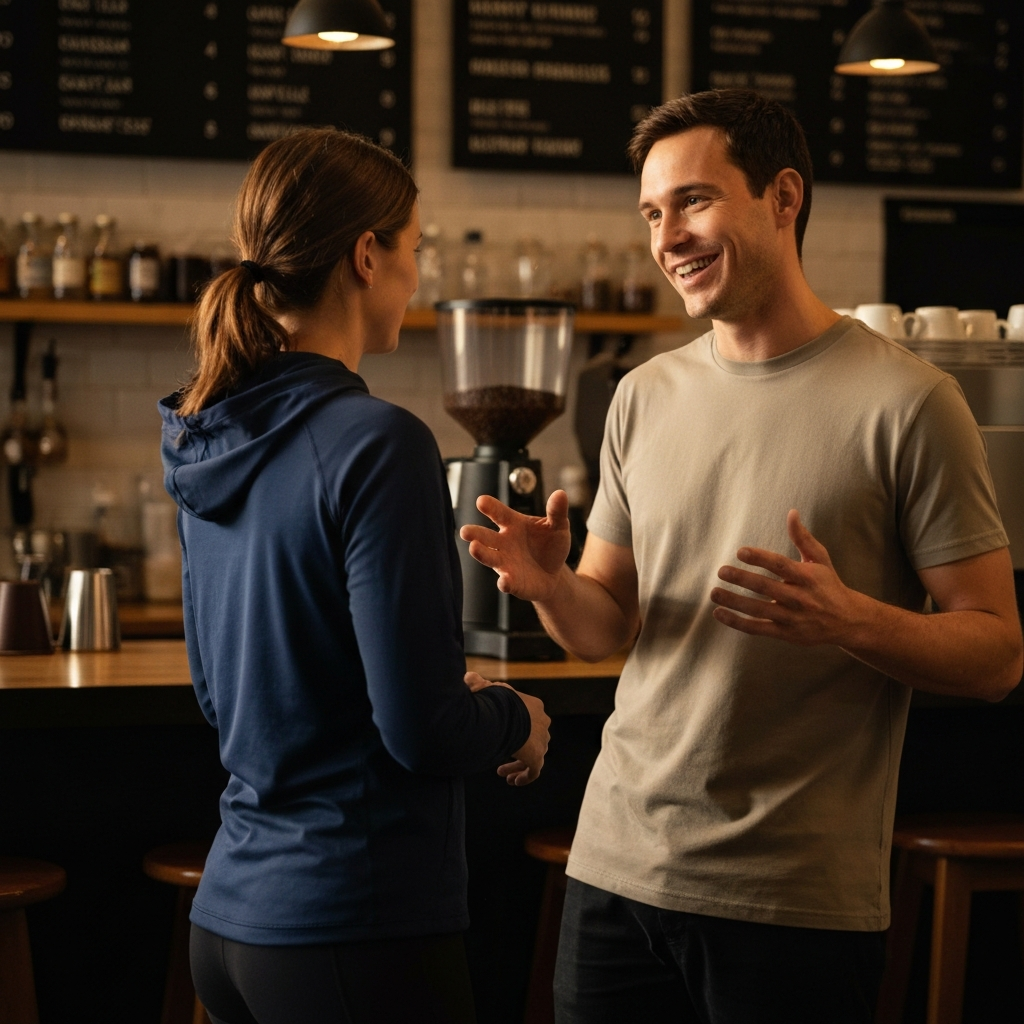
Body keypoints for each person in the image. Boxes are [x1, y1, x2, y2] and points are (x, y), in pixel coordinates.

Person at [459, 89, 1023, 1023]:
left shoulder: (911, 403)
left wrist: (853, 620)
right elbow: (607, 625)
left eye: (695, 201)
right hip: (616, 865)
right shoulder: (640, 396)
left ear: (784, 198)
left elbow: (999, 653)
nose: (668, 235)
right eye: (652, 212)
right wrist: (553, 587)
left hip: (793, 898)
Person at [158, 128, 550, 1024]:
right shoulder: (379, 442)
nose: (419, 274)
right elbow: (420, 731)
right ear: (367, 255)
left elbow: (228, 696)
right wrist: (513, 718)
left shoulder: (207, 432)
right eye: (415, 249)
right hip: (353, 926)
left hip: (230, 927)